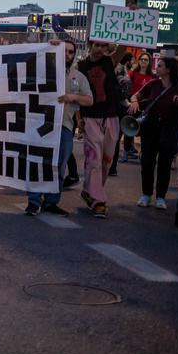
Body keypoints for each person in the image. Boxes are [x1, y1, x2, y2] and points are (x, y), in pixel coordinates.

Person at [26, 39, 93, 216]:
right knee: (37, 163)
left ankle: (51, 202)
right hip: (40, 125)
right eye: (64, 51)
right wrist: (47, 45)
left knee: (59, 166)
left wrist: (71, 98)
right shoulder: (44, 70)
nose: (67, 55)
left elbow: (89, 99)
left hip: (64, 127)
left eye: (71, 52)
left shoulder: (78, 77)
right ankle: (33, 201)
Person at [127, 56, 178, 210]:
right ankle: (146, 194)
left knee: (165, 163)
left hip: (169, 128)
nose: (156, 68)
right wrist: (135, 101)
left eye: (160, 65)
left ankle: (160, 197)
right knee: (147, 162)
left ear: (168, 69)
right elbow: (135, 95)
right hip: (150, 126)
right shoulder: (153, 84)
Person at [78, 40, 124, 219]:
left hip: (111, 117)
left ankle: (89, 191)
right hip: (91, 117)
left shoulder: (109, 62)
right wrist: (79, 119)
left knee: (106, 161)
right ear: (90, 45)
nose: (100, 49)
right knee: (94, 159)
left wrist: (133, 14)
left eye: (104, 46)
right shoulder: (80, 66)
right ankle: (98, 201)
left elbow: (124, 47)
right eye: (96, 45)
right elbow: (78, 93)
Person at [121, 52, 154, 163]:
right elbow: (125, 86)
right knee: (129, 129)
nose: (143, 61)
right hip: (132, 104)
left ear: (149, 62)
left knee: (144, 131)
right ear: (138, 61)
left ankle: (143, 155)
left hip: (145, 107)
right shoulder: (132, 73)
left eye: (146, 60)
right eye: (141, 59)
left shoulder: (153, 77)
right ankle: (125, 153)